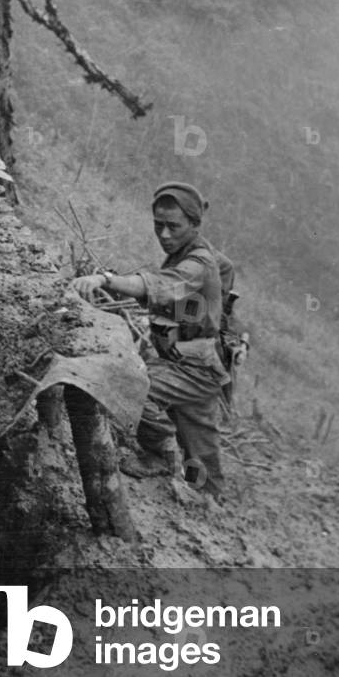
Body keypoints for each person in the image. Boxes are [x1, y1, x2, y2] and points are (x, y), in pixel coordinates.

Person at [71, 181, 233, 501]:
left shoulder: (198, 263)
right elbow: (221, 271)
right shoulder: (192, 254)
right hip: (192, 360)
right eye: (159, 225)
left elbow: (159, 285)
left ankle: (160, 457)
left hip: (195, 365)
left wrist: (105, 279)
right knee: (202, 459)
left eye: (174, 226)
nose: (164, 234)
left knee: (137, 386)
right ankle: (212, 503)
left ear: (194, 225)